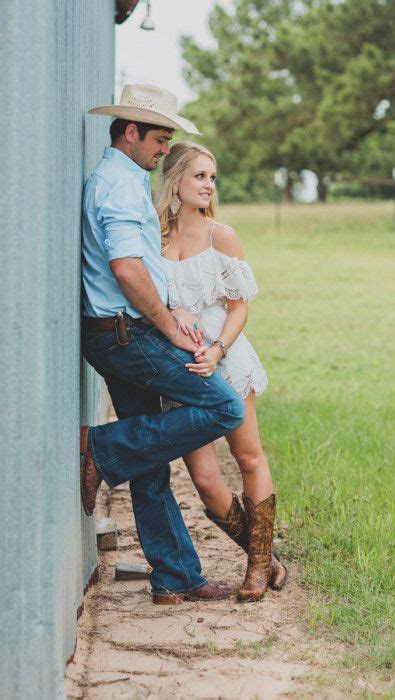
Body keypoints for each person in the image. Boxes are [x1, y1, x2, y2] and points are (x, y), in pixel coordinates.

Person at [80, 84, 246, 604]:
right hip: (127, 335)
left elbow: (141, 266)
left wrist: (172, 306)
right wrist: (171, 327)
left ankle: (175, 577)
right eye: (158, 138)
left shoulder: (119, 178)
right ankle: (99, 447)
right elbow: (126, 269)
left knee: (149, 461)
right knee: (223, 406)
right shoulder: (121, 187)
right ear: (130, 132)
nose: (163, 148)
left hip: (119, 330)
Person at [157, 141, 288, 602]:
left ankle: (255, 569)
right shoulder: (155, 235)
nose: (208, 185)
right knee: (206, 479)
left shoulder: (222, 236)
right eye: (199, 176)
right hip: (178, 368)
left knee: (248, 457)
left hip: (224, 357)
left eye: (212, 177)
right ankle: (267, 556)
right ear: (175, 181)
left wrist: (216, 349)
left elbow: (239, 308)